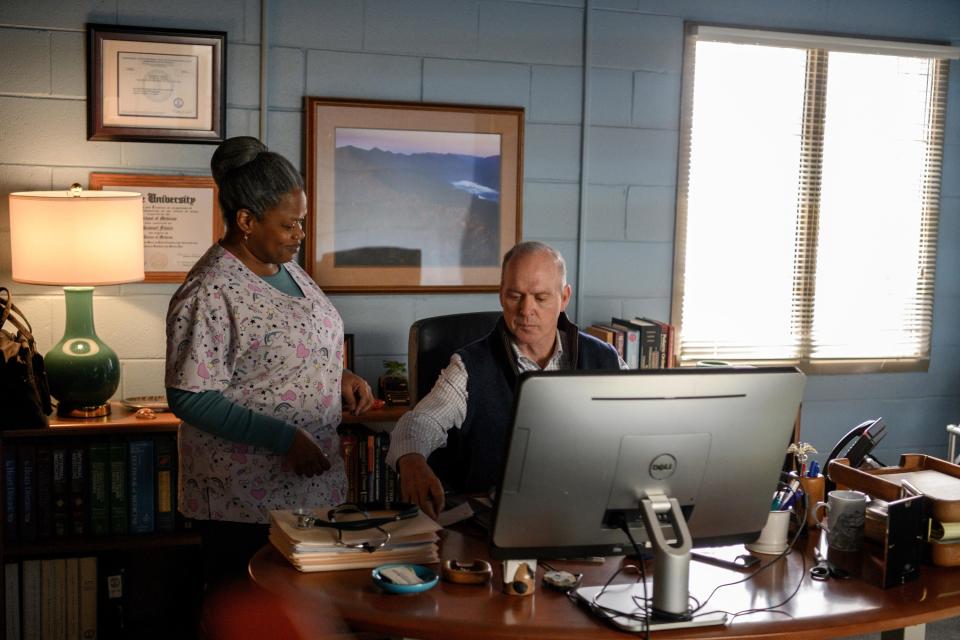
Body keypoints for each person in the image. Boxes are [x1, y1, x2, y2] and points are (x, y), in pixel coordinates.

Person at [165, 136, 374, 584]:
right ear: (246, 220)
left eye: (302, 222)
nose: (300, 235)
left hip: (309, 491)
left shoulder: (286, 268)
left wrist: (339, 374)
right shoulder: (210, 291)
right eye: (289, 225)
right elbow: (190, 397)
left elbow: (288, 346)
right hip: (243, 503)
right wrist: (285, 439)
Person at [385, 241, 625, 519]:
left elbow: (645, 420)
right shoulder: (468, 367)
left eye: (541, 297)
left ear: (565, 297)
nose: (526, 309)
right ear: (500, 295)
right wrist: (411, 458)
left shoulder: (605, 360)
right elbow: (422, 420)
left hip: (585, 516)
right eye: (515, 296)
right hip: (492, 525)